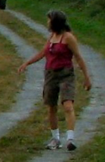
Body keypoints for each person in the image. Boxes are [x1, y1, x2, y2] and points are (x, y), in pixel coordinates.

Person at [18, 10, 92, 151]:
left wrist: (87, 77)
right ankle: (55, 138)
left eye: (49, 20)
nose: (47, 22)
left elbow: (78, 57)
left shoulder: (68, 38)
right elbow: (43, 52)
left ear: (56, 22)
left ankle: (70, 139)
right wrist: (27, 63)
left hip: (65, 74)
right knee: (51, 106)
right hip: (50, 74)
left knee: (68, 105)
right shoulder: (52, 36)